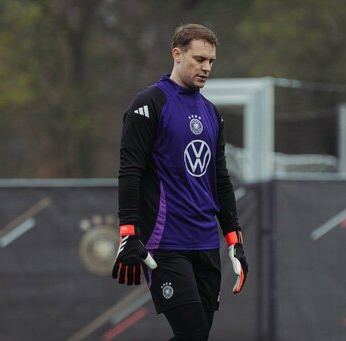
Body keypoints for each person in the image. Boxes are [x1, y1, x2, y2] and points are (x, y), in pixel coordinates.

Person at [111, 23, 249, 340]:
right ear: (177, 54)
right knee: (193, 334)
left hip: (205, 243)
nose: (206, 67)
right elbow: (129, 171)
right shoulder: (148, 105)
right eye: (199, 59)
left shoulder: (213, 114)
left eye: (211, 61)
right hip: (166, 244)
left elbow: (221, 181)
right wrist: (128, 232)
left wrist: (235, 240)